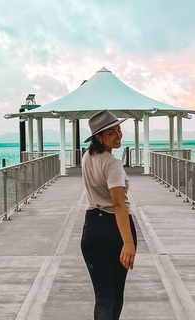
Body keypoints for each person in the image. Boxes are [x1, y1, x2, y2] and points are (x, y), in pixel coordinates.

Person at [81, 110, 137, 320]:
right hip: (114, 230)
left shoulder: (88, 156)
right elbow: (118, 205)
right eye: (111, 133)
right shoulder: (112, 164)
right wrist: (128, 242)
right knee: (114, 295)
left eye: (119, 130)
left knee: (102, 297)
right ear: (99, 137)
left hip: (92, 228)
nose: (118, 136)